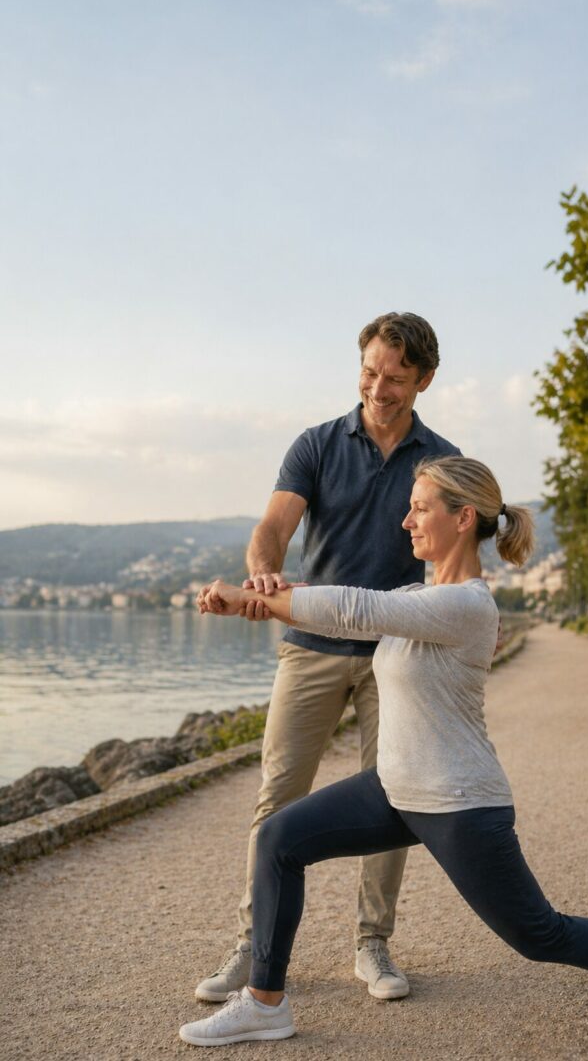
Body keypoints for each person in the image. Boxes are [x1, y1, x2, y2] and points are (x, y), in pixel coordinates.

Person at [180, 456, 588, 1047]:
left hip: (457, 801)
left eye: (420, 508)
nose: (407, 521)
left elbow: (358, 607)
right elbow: (346, 608)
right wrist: (266, 593)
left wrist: (247, 597)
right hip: (394, 788)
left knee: (543, 938)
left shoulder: (466, 605)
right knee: (279, 839)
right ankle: (264, 1003)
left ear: (463, 518)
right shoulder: (420, 594)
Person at [194, 312, 461, 1006]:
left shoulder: (440, 463)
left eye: (396, 379)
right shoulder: (316, 443)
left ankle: (373, 944)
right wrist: (262, 575)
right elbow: (273, 528)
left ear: (424, 381)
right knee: (277, 798)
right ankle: (255, 946)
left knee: (395, 799)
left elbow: (454, 561)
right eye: (370, 372)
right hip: (311, 650)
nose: (378, 388)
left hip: (396, 659)